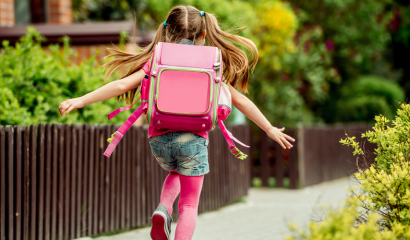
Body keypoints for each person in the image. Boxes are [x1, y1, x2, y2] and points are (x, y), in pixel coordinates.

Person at [58, 5, 295, 240]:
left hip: (159, 139)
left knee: (175, 171)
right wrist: (268, 128)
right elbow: (241, 101)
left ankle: (163, 208)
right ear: (204, 34)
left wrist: (80, 100)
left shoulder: (158, 60)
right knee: (190, 206)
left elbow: (121, 86)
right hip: (193, 140)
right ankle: (167, 215)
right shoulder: (210, 63)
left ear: (166, 31)